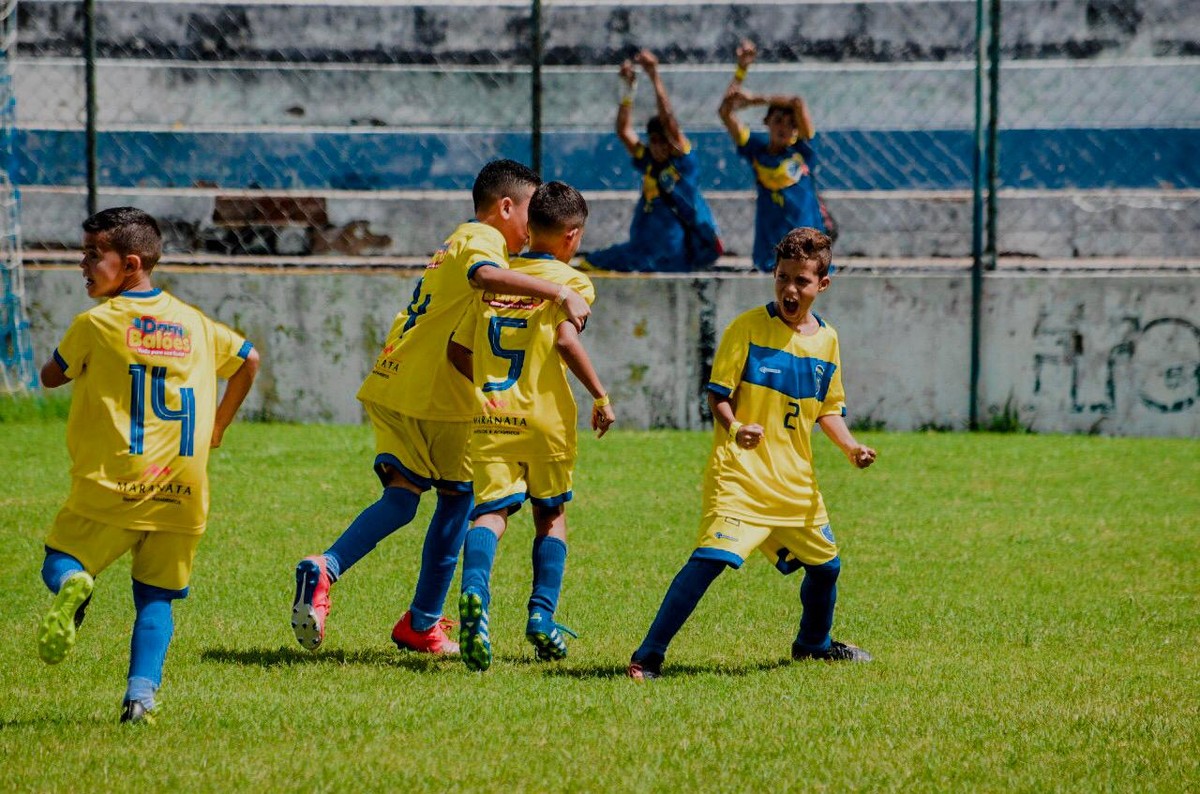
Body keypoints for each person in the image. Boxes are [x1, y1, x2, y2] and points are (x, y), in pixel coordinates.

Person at [290, 160, 593, 656]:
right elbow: (483, 277)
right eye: (528, 212)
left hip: (393, 378)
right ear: (505, 206)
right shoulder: (483, 239)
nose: (531, 225)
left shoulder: (452, 240)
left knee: (403, 497)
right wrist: (560, 288)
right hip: (436, 393)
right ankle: (424, 621)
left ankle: (327, 567)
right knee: (458, 501)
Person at [36, 206, 260, 723]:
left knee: (59, 560)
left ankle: (77, 583)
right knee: (156, 597)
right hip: (183, 489)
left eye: (95, 255)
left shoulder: (95, 323)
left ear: (131, 263)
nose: (83, 265)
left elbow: (51, 376)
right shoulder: (195, 324)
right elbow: (249, 359)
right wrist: (218, 425)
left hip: (113, 483)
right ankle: (140, 698)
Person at [627, 227, 875, 680]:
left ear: (823, 284)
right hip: (740, 474)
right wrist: (737, 428)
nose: (789, 289)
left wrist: (851, 448)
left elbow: (828, 410)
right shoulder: (746, 329)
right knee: (711, 560)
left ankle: (813, 646)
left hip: (795, 483)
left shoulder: (828, 341)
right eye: (783, 277)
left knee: (826, 568)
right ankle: (647, 656)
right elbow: (717, 396)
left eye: (801, 280)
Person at [447, 181, 616, 671]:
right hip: (546, 420)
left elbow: (458, 351)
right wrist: (601, 396)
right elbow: (565, 342)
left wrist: (489, 388)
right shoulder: (574, 282)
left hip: (492, 416)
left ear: (529, 226)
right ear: (573, 236)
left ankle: (475, 595)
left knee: (491, 516)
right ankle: (541, 618)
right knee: (551, 517)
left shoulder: (499, 279)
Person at [581, 49, 722, 273]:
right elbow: (623, 131)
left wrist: (654, 75)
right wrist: (628, 89)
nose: (658, 146)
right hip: (641, 247)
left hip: (670, 251)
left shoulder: (683, 164)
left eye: (663, 141)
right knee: (588, 265)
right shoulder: (648, 161)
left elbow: (669, 120)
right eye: (654, 141)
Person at [718, 40, 838, 272]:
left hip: (808, 248)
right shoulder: (756, 149)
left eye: (791, 123)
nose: (785, 127)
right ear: (767, 122)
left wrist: (756, 99)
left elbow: (797, 102)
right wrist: (741, 69)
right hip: (770, 248)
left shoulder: (802, 151)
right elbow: (726, 112)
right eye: (778, 121)